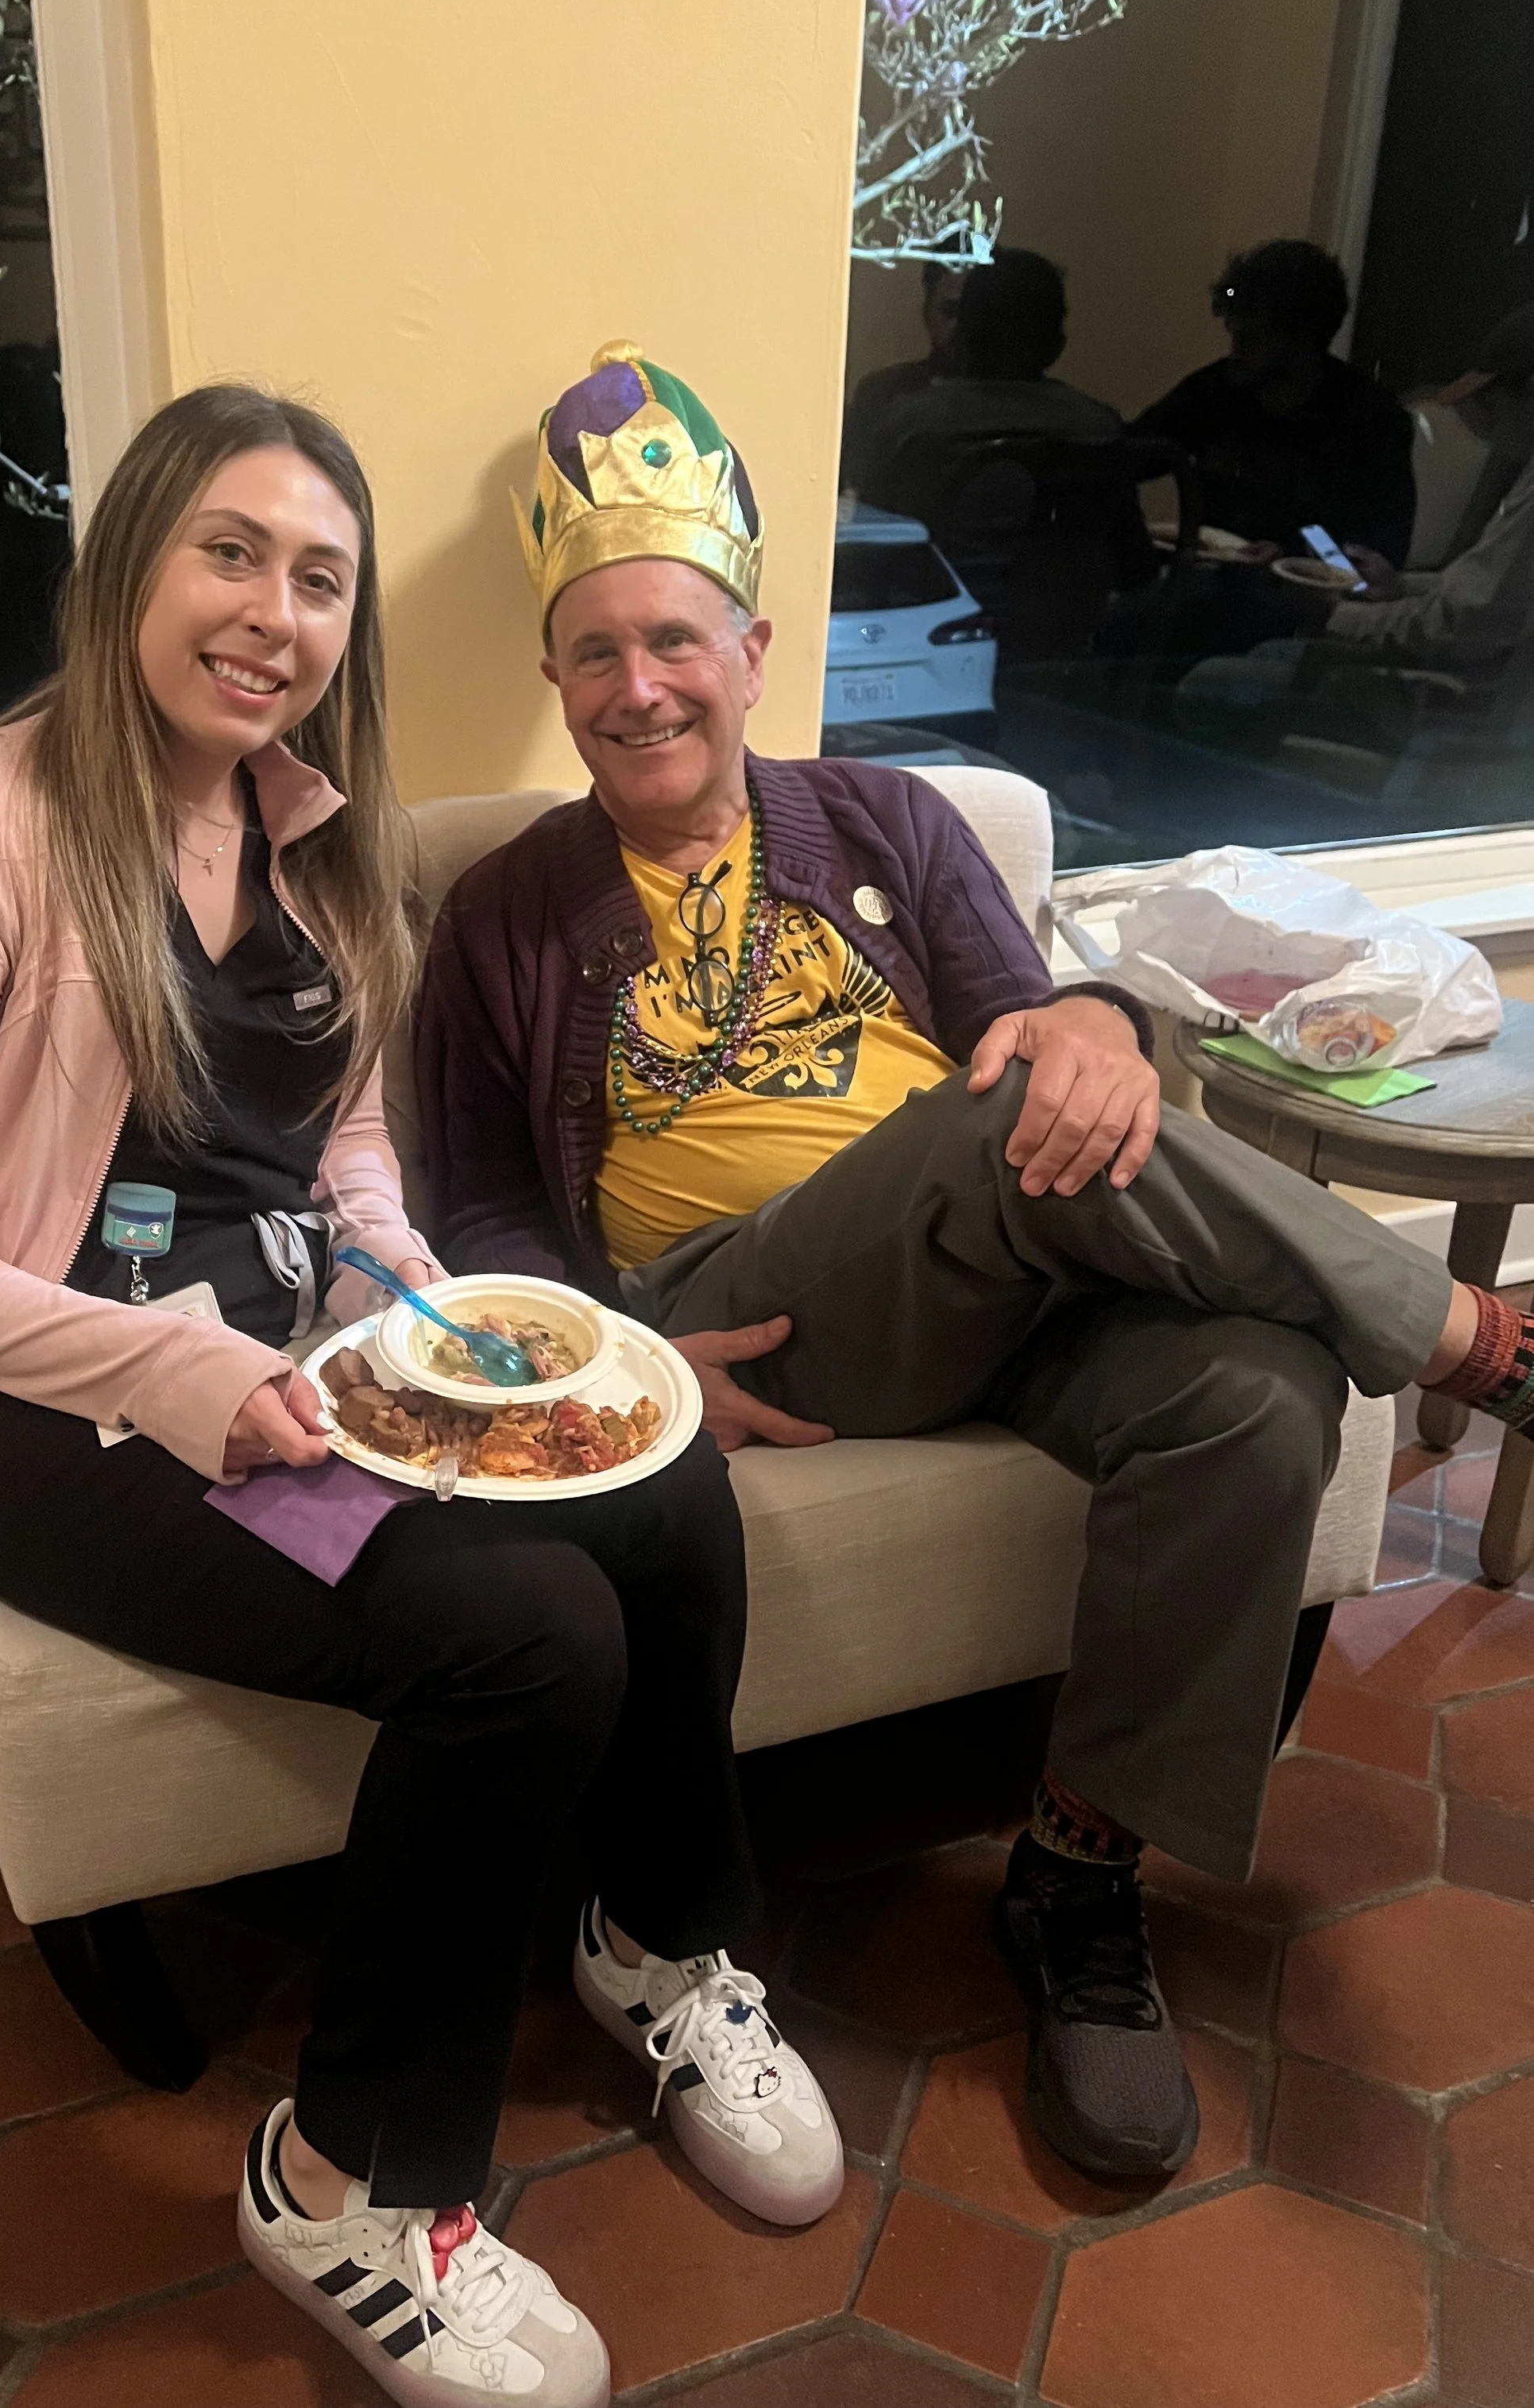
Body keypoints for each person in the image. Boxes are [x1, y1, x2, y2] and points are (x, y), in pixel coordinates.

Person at [415, 338, 1528, 2186]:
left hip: (1005, 1268)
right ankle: (1476, 1338)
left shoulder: (891, 823)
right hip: (744, 1299)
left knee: (1252, 1396)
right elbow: (474, 1220)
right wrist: (629, 1360)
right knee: (972, 1130)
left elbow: (1037, 1031)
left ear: (753, 652)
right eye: (595, 653)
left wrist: (1092, 1020)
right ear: (555, 683)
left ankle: (1077, 1896)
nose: (637, 685)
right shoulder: (506, 911)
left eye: (673, 639)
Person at [0, 384, 841, 2408]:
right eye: (230, 552)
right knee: (525, 1641)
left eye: (318, 580)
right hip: (56, 1418)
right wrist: (178, 1367)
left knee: (660, 1494)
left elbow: (344, 1159)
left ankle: (657, 1944)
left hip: (304, 1365)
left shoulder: (311, 834)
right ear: (126, 564)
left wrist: (439, 1298)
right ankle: (348, 2179)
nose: (272, 612)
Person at [1177, 303, 1534, 721]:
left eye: (1490, 403)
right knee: (1252, 647)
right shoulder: (1220, 390)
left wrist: (1338, 615)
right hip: (1422, 642)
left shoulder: (1370, 416)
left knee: (1208, 682)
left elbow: (1464, 625)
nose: (1483, 423)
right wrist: (1399, 586)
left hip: (1461, 705)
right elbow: (1485, 594)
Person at [1135, 239, 1416, 565]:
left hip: (1315, 607)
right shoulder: (1213, 391)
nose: (1236, 332)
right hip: (1204, 590)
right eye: (1235, 314)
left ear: (1304, 333)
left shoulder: (1371, 420)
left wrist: (1291, 553)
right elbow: (1135, 452)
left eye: (1253, 324)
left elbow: (1376, 557)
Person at [856, 246, 1122, 511]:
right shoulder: (1098, 429)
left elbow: (872, 534)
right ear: (1057, 344)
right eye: (949, 310)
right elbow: (1130, 547)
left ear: (965, 335)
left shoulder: (911, 426)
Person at [838, 260, 964, 500]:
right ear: (927, 315)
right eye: (952, 311)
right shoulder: (884, 394)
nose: (963, 326)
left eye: (977, 312)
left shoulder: (1031, 408)